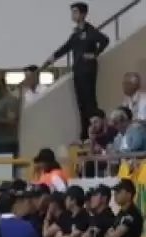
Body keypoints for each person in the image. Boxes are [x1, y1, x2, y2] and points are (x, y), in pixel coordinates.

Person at [42, 2, 109, 139]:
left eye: (76, 12)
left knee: (90, 102)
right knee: (81, 102)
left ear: (83, 14)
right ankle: (84, 133)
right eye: (72, 12)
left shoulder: (90, 31)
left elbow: (104, 40)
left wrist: (94, 54)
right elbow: (65, 47)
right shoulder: (75, 34)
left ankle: (95, 131)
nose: (73, 15)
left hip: (88, 70)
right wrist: (52, 58)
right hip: (78, 71)